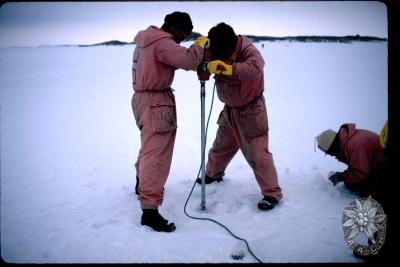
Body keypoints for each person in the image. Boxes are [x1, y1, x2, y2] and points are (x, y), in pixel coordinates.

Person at [131, 11, 209, 232]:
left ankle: (141, 183)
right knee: (158, 155)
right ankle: (149, 211)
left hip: (141, 99)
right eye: (183, 35)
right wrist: (200, 44)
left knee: (149, 147)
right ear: (174, 28)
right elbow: (188, 60)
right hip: (156, 102)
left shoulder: (146, 39)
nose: (182, 39)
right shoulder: (162, 42)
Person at [196, 22, 283, 210]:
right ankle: (213, 173)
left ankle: (272, 194)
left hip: (251, 110)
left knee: (258, 154)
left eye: (220, 50)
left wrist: (228, 68)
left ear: (230, 44)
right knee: (221, 146)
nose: (217, 53)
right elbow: (199, 58)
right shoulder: (217, 46)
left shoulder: (248, 51)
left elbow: (254, 68)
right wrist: (199, 48)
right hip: (230, 109)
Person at [315, 123, 387, 200]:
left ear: (333, 146)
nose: (332, 155)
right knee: (352, 183)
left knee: (369, 195)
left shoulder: (354, 145)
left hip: (384, 165)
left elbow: (361, 172)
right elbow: (356, 164)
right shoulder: (346, 139)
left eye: (330, 152)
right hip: (376, 163)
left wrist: (342, 176)